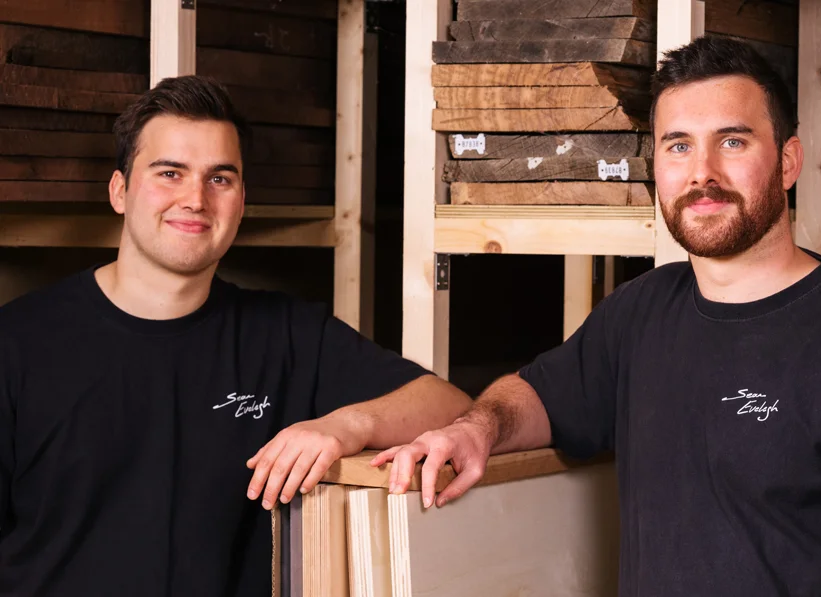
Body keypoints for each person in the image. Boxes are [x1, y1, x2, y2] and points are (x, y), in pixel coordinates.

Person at [376, 36, 821, 596]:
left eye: (733, 141)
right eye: (678, 147)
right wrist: (475, 430)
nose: (703, 172)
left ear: (788, 161)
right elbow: (540, 395)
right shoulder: (639, 314)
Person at [0, 75, 472, 596]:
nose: (195, 199)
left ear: (241, 199)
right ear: (119, 191)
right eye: (170, 173)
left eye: (219, 178)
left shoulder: (288, 335)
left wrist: (347, 425)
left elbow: (450, 406)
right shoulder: (18, 345)